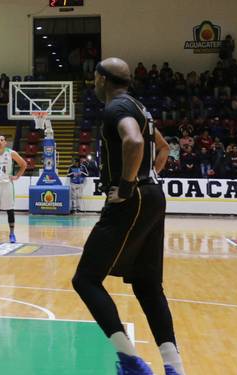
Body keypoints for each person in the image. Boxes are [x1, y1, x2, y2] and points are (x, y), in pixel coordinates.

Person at [71, 58, 184, 375]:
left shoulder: (116, 108)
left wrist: (126, 186)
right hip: (153, 195)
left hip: (131, 197)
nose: (93, 83)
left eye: (94, 77)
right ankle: (174, 366)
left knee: (86, 279)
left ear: (103, 79)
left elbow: (133, 141)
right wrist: (148, 179)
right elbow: (162, 148)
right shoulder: (139, 106)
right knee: (148, 285)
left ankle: (131, 361)